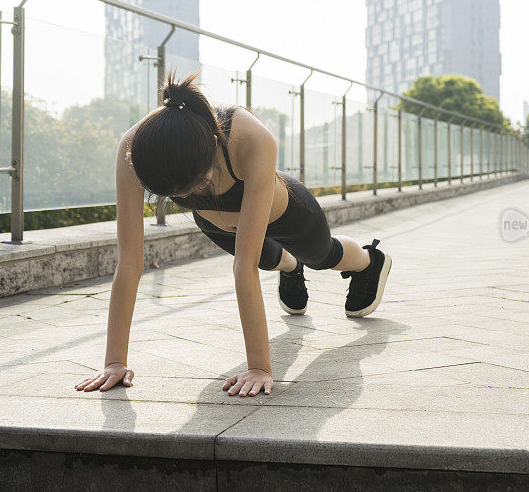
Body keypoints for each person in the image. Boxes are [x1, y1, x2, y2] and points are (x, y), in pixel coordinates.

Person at [74, 69, 392, 398]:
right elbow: (128, 262)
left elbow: (243, 265)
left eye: (195, 186)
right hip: (217, 225)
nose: (186, 197)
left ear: (212, 147)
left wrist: (259, 368)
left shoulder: (253, 138)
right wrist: (114, 362)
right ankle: (289, 267)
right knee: (269, 261)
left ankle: (370, 261)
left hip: (286, 214)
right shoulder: (135, 146)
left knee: (323, 257)